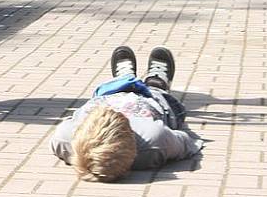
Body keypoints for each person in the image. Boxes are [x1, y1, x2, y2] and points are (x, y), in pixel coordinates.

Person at [50, 46, 204, 181]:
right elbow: (185, 142)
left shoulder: (63, 138)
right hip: (152, 101)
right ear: (131, 133)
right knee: (158, 93)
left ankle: (124, 78)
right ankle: (157, 81)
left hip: (107, 95)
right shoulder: (153, 140)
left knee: (108, 91)